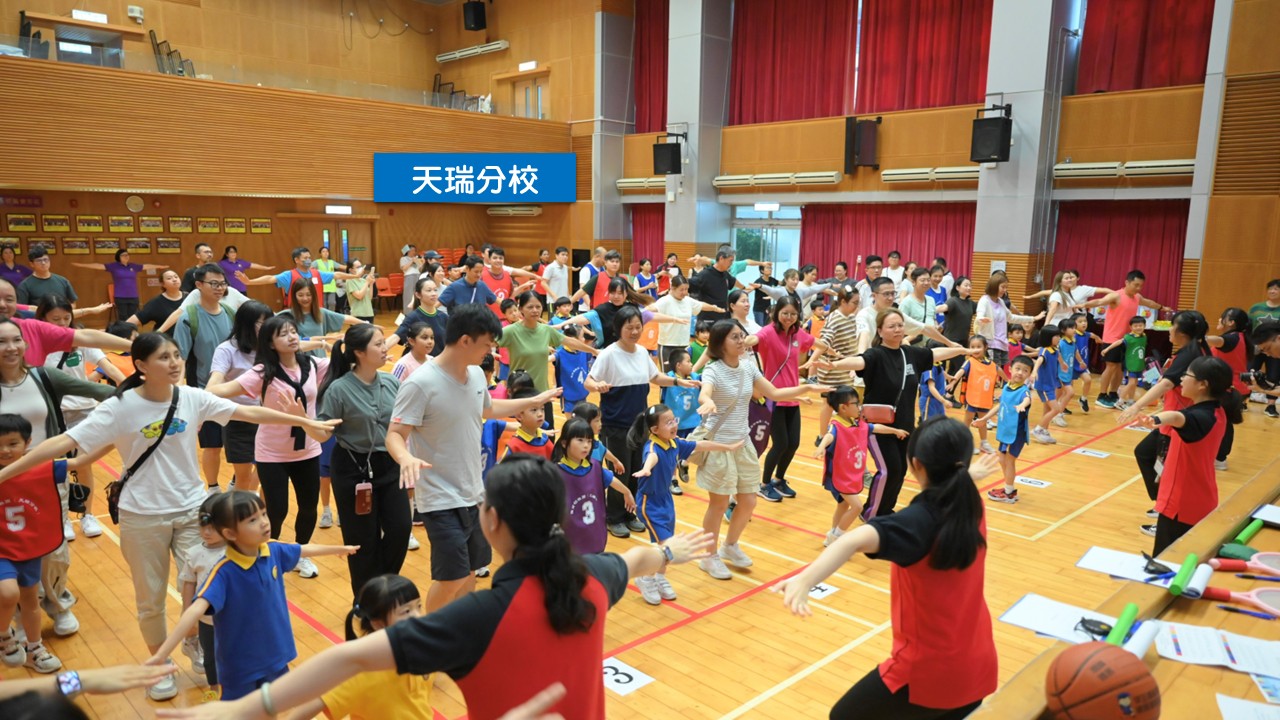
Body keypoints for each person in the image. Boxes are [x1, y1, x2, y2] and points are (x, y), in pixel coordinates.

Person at [156, 457, 714, 720]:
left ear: (490, 521)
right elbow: (636, 559)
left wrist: (244, 710)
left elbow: (350, 657)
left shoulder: (479, 616)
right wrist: (670, 552)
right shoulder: (592, 578)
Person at [0, 331, 335, 701]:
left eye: (176, 355)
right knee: (151, 599)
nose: (175, 362)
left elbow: (247, 411)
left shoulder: (190, 397)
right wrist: (5, 474)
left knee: (205, 589)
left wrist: (303, 422)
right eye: (164, 357)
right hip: (142, 516)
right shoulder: (120, 406)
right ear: (140, 366)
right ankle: (158, 667)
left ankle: (195, 642)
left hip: (193, 511)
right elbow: (62, 443)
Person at [779, 417, 999, 720]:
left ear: (915, 464)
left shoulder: (919, 522)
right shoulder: (969, 502)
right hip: (978, 665)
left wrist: (804, 580)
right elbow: (956, 481)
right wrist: (970, 475)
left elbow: (852, 540)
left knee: (843, 717)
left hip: (927, 673)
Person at [388, 304, 560, 613]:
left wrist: (531, 401)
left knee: (470, 572)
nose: (491, 351)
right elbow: (394, 434)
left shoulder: (478, 376)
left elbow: (488, 409)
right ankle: (427, 631)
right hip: (439, 497)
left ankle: (462, 627)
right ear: (465, 340)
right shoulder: (421, 383)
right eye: (487, 344)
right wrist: (405, 458)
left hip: (475, 493)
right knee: (451, 577)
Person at [145, 491, 356, 699]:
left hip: (276, 655)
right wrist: (161, 654)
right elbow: (194, 611)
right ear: (230, 534)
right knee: (241, 712)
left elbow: (302, 550)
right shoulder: (224, 572)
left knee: (275, 708)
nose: (264, 522)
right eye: (252, 520)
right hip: (240, 667)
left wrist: (339, 548)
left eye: (263, 514)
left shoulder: (273, 550)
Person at [694, 320, 828, 579]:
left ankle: (729, 546)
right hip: (719, 445)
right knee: (719, 504)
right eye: (735, 337)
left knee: (749, 500)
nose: (741, 340)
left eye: (742, 335)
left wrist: (807, 387)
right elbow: (704, 392)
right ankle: (708, 557)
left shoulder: (748, 366)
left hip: (742, 443)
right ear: (720, 343)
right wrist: (707, 401)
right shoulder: (713, 370)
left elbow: (775, 393)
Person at [815, 309, 978, 517]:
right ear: (880, 331)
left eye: (900, 325)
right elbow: (858, 361)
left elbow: (936, 354)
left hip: (905, 425)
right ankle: (872, 513)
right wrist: (834, 365)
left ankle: (885, 509)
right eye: (892, 326)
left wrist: (963, 350)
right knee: (889, 469)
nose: (898, 329)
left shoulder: (910, 353)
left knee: (900, 469)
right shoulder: (876, 355)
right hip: (878, 426)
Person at [205, 315, 330, 578]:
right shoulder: (262, 373)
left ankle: (300, 554)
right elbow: (219, 391)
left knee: (309, 506)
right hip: (272, 453)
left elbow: (343, 363)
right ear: (271, 343)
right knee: (276, 509)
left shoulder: (313, 364)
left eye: (293, 332)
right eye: (283, 334)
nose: (292, 337)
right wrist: (209, 383)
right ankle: (268, 555)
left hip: (308, 448)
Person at [585, 306, 698, 540]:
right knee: (620, 472)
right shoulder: (609, 354)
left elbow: (655, 377)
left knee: (638, 471)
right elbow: (589, 381)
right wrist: (596, 386)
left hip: (640, 425)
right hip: (615, 425)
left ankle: (630, 513)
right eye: (630, 327)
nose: (635, 331)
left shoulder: (642, 353)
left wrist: (678, 382)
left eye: (638, 327)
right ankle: (614, 517)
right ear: (619, 328)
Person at [0, 413, 100, 674]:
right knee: (8, 593)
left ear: (28, 443)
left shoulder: (41, 467)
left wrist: (120, 435)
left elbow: (81, 461)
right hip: (2, 550)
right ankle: (4, 636)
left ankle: (34, 649)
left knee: (31, 602)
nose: (5, 450)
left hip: (29, 548)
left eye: (12, 443)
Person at [317, 324, 412, 598]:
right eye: (378, 344)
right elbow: (323, 433)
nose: (385, 348)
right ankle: (366, 600)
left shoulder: (391, 382)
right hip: (353, 469)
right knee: (362, 541)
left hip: (389, 464)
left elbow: (406, 420)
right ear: (359, 352)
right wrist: (303, 421)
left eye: (384, 343)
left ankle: (382, 590)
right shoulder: (338, 389)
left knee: (400, 529)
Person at [629, 405, 741, 604]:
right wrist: (646, 469)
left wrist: (727, 447)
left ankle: (659, 577)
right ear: (655, 430)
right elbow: (652, 458)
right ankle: (646, 578)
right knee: (666, 545)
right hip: (649, 504)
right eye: (668, 422)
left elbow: (700, 445)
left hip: (666, 500)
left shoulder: (674, 443)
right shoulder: (653, 448)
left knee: (664, 544)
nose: (674, 425)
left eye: (674, 420)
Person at [1131, 357, 1243, 555]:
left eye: (1187, 375)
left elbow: (1176, 417)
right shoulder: (1216, 410)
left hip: (1181, 506)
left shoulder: (1201, 417)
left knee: (1166, 563)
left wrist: (1155, 418)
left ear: (1202, 384)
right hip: (1197, 501)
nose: (1181, 379)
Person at [37, 296, 127, 540]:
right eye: (55, 319)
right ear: (42, 319)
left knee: (84, 464)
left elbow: (107, 365)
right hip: (51, 412)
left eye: (66, 318)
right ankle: (63, 517)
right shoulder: (36, 343)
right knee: (57, 467)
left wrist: (127, 387)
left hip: (84, 410)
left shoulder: (80, 338)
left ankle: (87, 514)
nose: (62, 323)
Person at [1116, 310, 1211, 536]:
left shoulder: (1190, 354)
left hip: (1178, 421)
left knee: (1167, 473)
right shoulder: (1193, 350)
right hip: (1173, 418)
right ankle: (1162, 504)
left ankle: (1166, 517)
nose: (1169, 330)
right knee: (1145, 454)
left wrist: (1136, 406)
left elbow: (1167, 384)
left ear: (1182, 332)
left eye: (1172, 326)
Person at [290, 575, 433, 720]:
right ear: (378, 624)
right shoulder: (361, 673)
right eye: (406, 611)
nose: (417, 616)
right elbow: (310, 706)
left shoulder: (421, 649)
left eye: (419, 606)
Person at [813, 387, 904, 547]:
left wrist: (895, 431)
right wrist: (821, 447)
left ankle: (832, 534)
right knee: (857, 507)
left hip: (851, 475)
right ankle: (836, 537)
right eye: (856, 403)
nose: (859, 407)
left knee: (843, 505)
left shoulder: (858, 423)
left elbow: (876, 427)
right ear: (843, 407)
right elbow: (829, 436)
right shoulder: (836, 425)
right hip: (840, 476)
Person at [175, 264, 236, 495]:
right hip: (204, 393)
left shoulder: (231, 314)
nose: (220, 288)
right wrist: (179, 390)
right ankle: (212, 488)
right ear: (199, 285)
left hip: (235, 391)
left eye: (222, 283)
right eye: (214, 283)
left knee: (239, 442)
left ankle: (236, 483)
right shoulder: (188, 318)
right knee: (212, 446)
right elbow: (180, 358)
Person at [496, 291, 598, 421]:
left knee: (548, 432)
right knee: (526, 432)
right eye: (530, 307)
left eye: (538, 306)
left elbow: (569, 341)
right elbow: (488, 342)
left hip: (543, 394)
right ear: (521, 309)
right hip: (521, 395)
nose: (535, 310)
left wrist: (594, 351)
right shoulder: (510, 331)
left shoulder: (546, 330)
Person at [206, 302, 275, 495]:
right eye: (263, 323)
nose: (269, 328)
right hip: (238, 420)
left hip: (268, 418)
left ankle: (254, 502)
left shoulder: (270, 347)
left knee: (267, 472)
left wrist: (321, 344)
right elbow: (214, 384)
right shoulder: (227, 349)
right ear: (247, 324)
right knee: (243, 477)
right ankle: (241, 503)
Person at [1081, 270, 1173, 409]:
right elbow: (1100, 301)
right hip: (1112, 338)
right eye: (1136, 285)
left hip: (1127, 339)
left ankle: (1113, 393)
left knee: (1120, 369)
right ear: (1127, 282)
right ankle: (1102, 395)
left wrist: (1162, 307)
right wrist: (1083, 305)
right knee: (1111, 367)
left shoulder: (1137, 297)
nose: (1138, 288)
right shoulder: (1116, 295)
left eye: (1141, 286)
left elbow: (1149, 303)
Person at [755, 297, 815, 501]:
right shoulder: (768, 332)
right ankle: (764, 484)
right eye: (785, 313)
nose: (789, 317)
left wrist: (827, 355)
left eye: (793, 314)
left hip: (793, 396)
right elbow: (754, 340)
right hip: (773, 397)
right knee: (780, 444)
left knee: (793, 443)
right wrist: (743, 341)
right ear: (776, 313)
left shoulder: (798, 334)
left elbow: (815, 343)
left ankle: (778, 480)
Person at [549, 418, 634, 555]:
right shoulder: (555, 473)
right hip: (570, 544)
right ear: (564, 443)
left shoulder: (595, 466)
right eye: (580, 440)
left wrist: (627, 492)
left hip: (596, 538)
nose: (586, 446)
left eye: (589, 441)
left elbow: (611, 480)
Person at [175, 495, 222, 699]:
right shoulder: (194, 553)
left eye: (213, 528)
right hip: (206, 620)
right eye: (203, 527)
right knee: (210, 657)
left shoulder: (236, 551)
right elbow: (189, 583)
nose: (207, 532)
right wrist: (187, 612)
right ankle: (214, 689)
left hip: (233, 618)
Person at [977, 355, 1041, 504]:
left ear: (1029, 374)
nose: (1020, 373)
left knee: (1010, 460)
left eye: (1025, 371)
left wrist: (1022, 405)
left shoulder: (1024, 391)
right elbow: (1000, 405)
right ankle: (1009, 487)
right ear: (1010, 369)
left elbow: (1027, 399)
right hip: (1005, 430)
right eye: (1018, 369)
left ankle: (1009, 492)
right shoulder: (1007, 387)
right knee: (1002, 459)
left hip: (1016, 433)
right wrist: (984, 419)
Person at [804, 285, 862, 445]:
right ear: (843, 302)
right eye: (854, 302)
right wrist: (811, 361)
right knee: (829, 403)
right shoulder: (834, 319)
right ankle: (822, 436)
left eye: (858, 302)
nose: (857, 305)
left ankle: (845, 434)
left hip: (846, 369)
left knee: (847, 402)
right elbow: (823, 343)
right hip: (831, 370)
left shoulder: (851, 317)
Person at [238, 246, 362, 309]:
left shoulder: (317, 273)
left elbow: (337, 274)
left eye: (309, 258)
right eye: (305, 258)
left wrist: (354, 276)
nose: (308, 260)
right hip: (297, 317)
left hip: (317, 315)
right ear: (296, 260)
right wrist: (249, 282)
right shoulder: (289, 275)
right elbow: (270, 278)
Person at [856, 277, 954, 355]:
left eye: (893, 293)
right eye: (886, 294)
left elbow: (924, 328)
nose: (890, 298)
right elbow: (864, 335)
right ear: (874, 295)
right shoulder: (864, 315)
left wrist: (950, 343)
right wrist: (861, 357)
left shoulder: (895, 314)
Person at [1206, 307, 1252, 470]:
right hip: (1234, 387)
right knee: (1223, 422)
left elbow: (1216, 341)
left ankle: (1220, 458)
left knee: (1223, 423)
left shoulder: (1232, 338)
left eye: (1222, 317)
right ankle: (1218, 457)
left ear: (1231, 322)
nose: (1219, 320)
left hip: (1230, 388)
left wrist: (1196, 336)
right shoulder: (1238, 337)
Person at [70, 249, 168, 321]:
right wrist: (81, 265)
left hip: (133, 296)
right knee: (123, 317)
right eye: (123, 255)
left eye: (127, 254)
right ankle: (123, 335)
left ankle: (132, 334)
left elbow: (146, 266)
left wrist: (160, 266)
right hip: (120, 296)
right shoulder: (113, 266)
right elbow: (98, 265)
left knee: (133, 316)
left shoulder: (133, 266)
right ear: (118, 257)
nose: (126, 256)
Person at [948, 335, 1005, 455]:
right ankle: (964, 443)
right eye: (972, 347)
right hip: (972, 397)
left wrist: (1008, 381)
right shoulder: (970, 361)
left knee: (982, 421)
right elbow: (961, 371)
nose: (975, 349)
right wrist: (953, 382)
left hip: (984, 399)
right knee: (968, 420)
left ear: (985, 347)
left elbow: (999, 371)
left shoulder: (991, 364)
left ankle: (984, 443)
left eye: (979, 346)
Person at [975, 273, 1044, 369]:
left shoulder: (1000, 301)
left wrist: (1033, 318)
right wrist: (981, 318)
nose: (1005, 290)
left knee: (1002, 371)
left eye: (1006, 287)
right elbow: (980, 313)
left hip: (1002, 344)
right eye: (1003, 287)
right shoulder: (984, 300)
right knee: (993, 370)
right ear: (994, 285)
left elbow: (1011, 318)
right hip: (991, 344)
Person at [651, 275, 722, 368]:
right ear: (672, 288)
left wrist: (714, 308)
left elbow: (701, 305)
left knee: (684, 374)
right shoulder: (664, 301)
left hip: (684, 344)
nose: (685, 292)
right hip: (667, 345)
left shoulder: (688, 300)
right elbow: (651, 310)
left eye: (686, 289)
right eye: (681, 290)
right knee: (668, 375)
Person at [279, 279, 362, 357]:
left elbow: (344, 318)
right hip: (299, 361)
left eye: (308, 294)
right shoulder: (286, 315)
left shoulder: (321, 312)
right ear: (294, 296)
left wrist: (365, 324)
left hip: (320, 359)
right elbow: (305, 340)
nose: (305, 298)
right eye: (300, 295)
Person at [1026, 326, 1073, 444]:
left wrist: (1063, 364)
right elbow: (1039, 360)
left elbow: (1058, 357)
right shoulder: (1045, 351)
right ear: (1048, 338)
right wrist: (1034, 371)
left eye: (1059, 335)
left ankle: (1044, 431)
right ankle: (1038, 429)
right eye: (1056, 336)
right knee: (1056, 409)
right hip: (1044, 386)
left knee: (1047, 410)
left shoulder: (1054, 350)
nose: (1059, 338)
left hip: (1051, 384)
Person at [1027, 269, 1112, 328]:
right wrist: (1046, 325)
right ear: (1060, 282)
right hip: (1058, 326)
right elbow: (1052, 310)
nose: (1070, 280)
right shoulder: (1057, 294)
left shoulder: (1068, 294)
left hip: (1069, 326)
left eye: (1071, 278)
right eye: (1067, 278)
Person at [1100, 317, 1149, 410]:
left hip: (1139, 364)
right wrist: (1107, 349)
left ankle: (1130, 401)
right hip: (1131, 365)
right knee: (1131, 383)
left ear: (1145, 326)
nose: (1138, 327)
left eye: (1140, 325)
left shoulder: (1144, 336)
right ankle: (1120, 402)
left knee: (1134, 383)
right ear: (1131, 327)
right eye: (1135, 326)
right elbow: (1118, 342)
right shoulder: (1128, 337)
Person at [1248, 280, 1280, 418]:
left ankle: (1271, 406)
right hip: (1256, 346)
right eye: (1270, 288)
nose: (1267, 353)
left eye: (1268, 348)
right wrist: (1261, 389)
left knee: (1274, 375)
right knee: (1250, 371)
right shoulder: (1256, 308)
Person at [480, 247, 540, 319]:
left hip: (506, 317)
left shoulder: (507, 275)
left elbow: (511, 295)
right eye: (495, 258)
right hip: (488, 318)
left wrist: (524, 286)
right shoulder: (482, 276)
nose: (498, 260)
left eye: (500, 258)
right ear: (489, 260)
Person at [127, 269, 185, 336]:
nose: (174, 279)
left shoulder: (189, 297)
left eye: (176, 277)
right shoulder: (156, 303)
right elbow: (129, 323)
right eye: (169, 278)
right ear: (162, 284)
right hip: (166, 340)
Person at [940, 276, 977, 378]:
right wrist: (932, 309)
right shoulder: (953, 301)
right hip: (952, 341)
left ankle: (948, 387)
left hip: (964, 341)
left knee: (954, 368)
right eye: (966, 285)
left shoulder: (971, 303)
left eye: (970, 286)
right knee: (960, 366)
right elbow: (944, 307)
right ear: (957, 287)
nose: (969, 288)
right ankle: (949, 387)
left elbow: (982, 308)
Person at [899, 268, 939, 347]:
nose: (926, 283)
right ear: (913, 282)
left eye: (928, 280)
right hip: (913, 347)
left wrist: (936, 326)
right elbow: (900, 325)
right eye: (923, 280)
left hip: (930, 345)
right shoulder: (906, 302)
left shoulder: (931, 300)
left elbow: (933, 319)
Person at [313, 246, 347, 312]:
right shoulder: (317, 262)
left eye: (327, 251)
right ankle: (324, 316)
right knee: (324, 304)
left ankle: (331, 316)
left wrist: (352, 267)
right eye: (323, 251)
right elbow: (308, 269)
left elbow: (343, 267)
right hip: (321, 285)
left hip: (331, 286)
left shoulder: (332, 262)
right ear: (320, 254)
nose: (325, 253)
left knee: (332, 303)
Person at [342, 259, 375, 324]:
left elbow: (370, 298)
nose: (361, 268)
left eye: (361, 266)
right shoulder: (350, 280)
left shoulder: (363, 280)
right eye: (358, 267)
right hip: (358, 314)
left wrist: (371, 284)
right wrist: (367, 282)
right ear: (351, 270)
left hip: (369, 313)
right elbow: (359, 296)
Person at [751, 262, 778, 326]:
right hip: (758, 309)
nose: (770, 269)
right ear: (762, 271)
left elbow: (781, 283)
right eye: (768, 268)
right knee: (760, 327)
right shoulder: (758, 281)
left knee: (767, 326)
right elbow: (750, 289)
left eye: (771, 268)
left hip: (768, 308)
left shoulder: (772, 280)